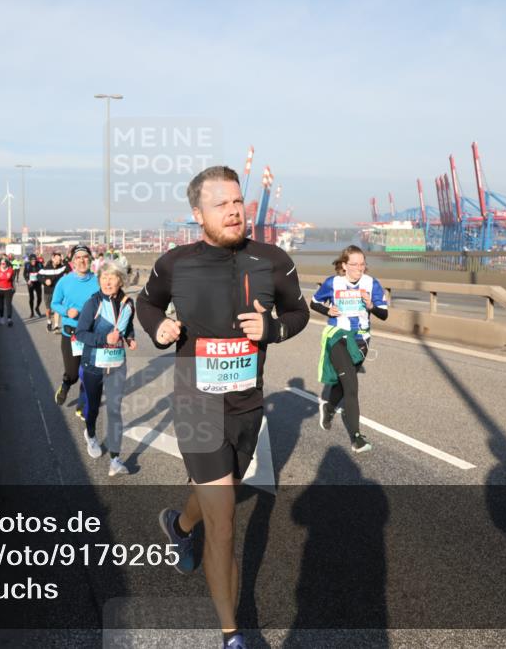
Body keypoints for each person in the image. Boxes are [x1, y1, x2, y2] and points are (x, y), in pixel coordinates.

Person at [137, 165, 309, 649]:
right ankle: (232, 635)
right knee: (226, 521)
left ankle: (178, 524)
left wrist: (272, 330)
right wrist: (159, 328)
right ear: (198, 214)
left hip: (248, 403)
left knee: (222, 493)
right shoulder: (175, 263)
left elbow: (301, 312)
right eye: (222, 205)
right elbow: (145, 304)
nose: (235, 211)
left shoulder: (272, 259)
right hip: (195, 400)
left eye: (239, 202)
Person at [311, 245, 388, 453]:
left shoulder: (371, 284)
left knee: (344, 382)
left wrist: (371, 306)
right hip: (338, 336)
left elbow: (384, 314)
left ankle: (328, 407)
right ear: (344, 265)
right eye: (354, 264)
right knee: (352, 387)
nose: (359, 268)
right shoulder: (333, 283)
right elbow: (314, 302)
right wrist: (328, 309)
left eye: (362, 264)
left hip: (362, 339)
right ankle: (356, 438)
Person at [74, 260, 136, 475]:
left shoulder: (129, 303)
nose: (107, 281)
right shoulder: (93, 303)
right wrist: (103, 338)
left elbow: (127, 325)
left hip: (117, 364)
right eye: (103, 278)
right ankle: (90, 434)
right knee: (92, 407)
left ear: (121, 280)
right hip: (93, 364)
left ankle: (115, 459)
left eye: (112, 277)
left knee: (115, 410)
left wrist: (130, 337)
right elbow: (80, 333)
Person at [50, 245, 99, 421]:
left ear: (90, 260)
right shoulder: (64, 282)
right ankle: (65, 384)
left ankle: (82, 404)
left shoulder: (98, 281)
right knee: (72, 373)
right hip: (70, 334)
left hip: (92, 334)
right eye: (78, 257)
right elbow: (54, 303)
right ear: (72, 262)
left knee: (89, 373)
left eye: (85, 257)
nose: (82, 260)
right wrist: (66, 311)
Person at [40, 251, 68, 333]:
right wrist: (45, 281)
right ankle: (49, 322)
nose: (58, 261)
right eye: (56, 259)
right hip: (48, 291)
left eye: (59, 259)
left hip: (58, 292)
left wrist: (64, 260)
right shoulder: (46, 268)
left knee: (57, 308)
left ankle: (56, 326)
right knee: (48, 309)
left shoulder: (61, 267)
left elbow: (69, 269)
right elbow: (39, 276)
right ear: (53, 258)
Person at [0, 257, 16, 327]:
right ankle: (1, 319)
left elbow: (13, 280)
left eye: (4, 263)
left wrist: (14, 288)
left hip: (8, 290)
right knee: (0, 305)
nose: (2, 264)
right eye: (1, 263)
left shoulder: (11, 270)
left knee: (8, 304)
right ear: (0, 264)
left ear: (7, 264)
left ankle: (9, 319)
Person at [23, 253, 45, 318]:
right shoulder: (27, 265)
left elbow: (44, 272)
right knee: (31, 298)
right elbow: (24, 274)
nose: (33, 262)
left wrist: (42, 279)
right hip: (31, 283)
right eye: (32, 261)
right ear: (30, 261)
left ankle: (37, 308)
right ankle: (32, 312)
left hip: (38, 283)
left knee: (40, 298)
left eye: (35, 260)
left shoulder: (39, 264)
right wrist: (27, 280)